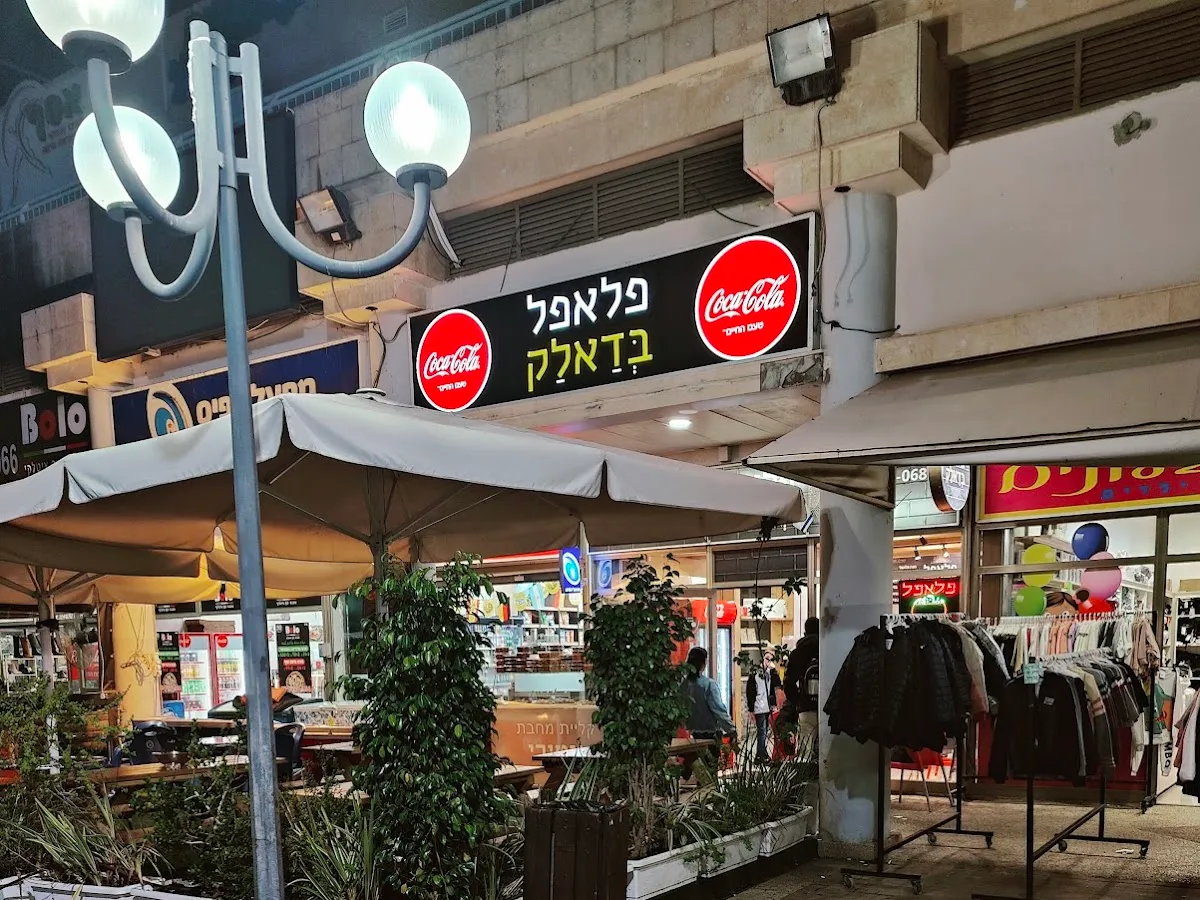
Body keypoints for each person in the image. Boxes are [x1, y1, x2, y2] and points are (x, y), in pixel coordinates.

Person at [780, 617, 821, 755]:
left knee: (805, 752)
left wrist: (798, 701)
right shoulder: (827, 650)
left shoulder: (798, 653)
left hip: (805, 708)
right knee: (826, 753)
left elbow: (788, 683)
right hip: (826, 708)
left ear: (805, 632)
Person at [682, 646, 736, 742]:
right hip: (709, 735)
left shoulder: (683, 684)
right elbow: (719, 710)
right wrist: (731, 729)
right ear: (703, 664)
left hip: (690, 735)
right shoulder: (709, 685)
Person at [746, 654, 783, 762]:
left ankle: (760, 753)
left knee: (765, 731)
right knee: (762, 731)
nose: (768, 662)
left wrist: (774, 671)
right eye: (767, 659)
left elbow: (777, 684)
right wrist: (751, 709)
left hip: (767, 706)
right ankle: (762, 754)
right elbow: (750, 691)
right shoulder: (755, 674)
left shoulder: (770, 674)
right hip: (759, 706)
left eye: (771, 660)